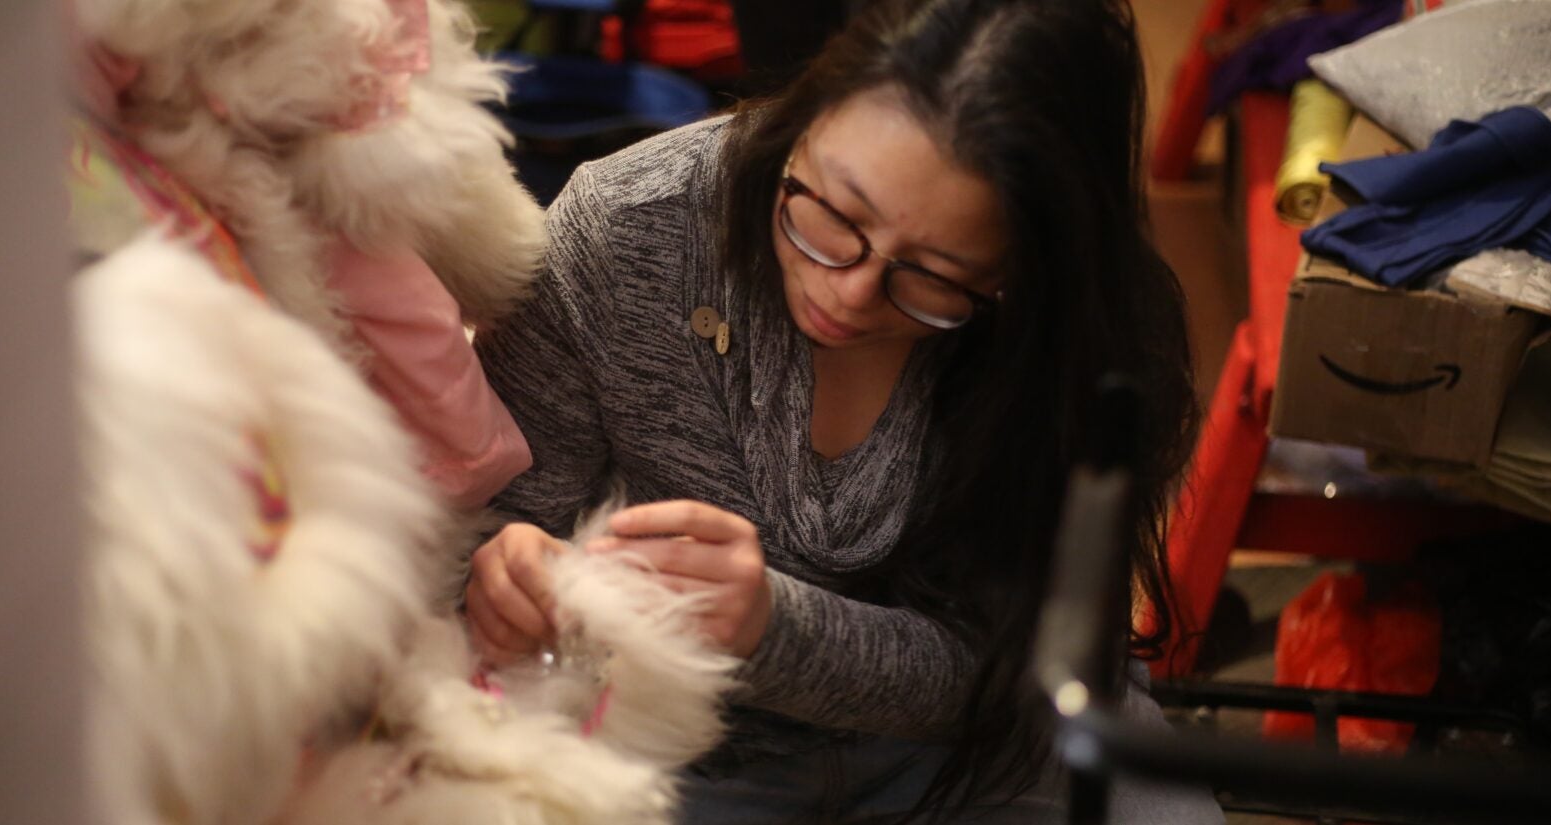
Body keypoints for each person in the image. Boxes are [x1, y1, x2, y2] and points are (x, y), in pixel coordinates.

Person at [464, 0, 1222, 821]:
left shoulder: (1082, 331)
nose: (849, 293)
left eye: (935, 275)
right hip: (675, 745)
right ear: (805, 115)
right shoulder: (629, 231)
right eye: (831, 214)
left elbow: (1028, 669)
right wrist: (504, 582)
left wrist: (772, 628)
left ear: (1023, 269)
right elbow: (489, 533)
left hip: (978, 746)